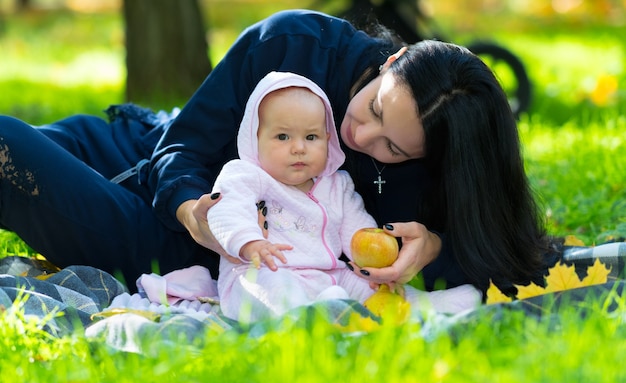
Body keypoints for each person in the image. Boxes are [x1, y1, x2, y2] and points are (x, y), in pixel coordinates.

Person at [0, 9, 550, 299]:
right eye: (375, 110)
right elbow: (182, 148)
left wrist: (433, 247)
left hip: (155, 242)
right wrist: (196, 212)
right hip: (146, 170)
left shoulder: (435, 171)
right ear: (393, 59)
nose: (361, 138)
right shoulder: (293, 45)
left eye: (394, 149)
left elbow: (494, 257)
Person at [208, 71, 480, 321]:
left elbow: (358, 233)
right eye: (282, 137)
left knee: (363, 283)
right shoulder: (246, 175)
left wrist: (379, 262)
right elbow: (226, 209)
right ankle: (307, 317)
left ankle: (418, 307)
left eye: (312, 137)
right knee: (274, 287)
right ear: (255, 138)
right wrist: (249, 243)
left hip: (329, 276)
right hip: (260, 271)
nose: (299, 148)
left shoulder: (336, 185)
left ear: (328, 139)